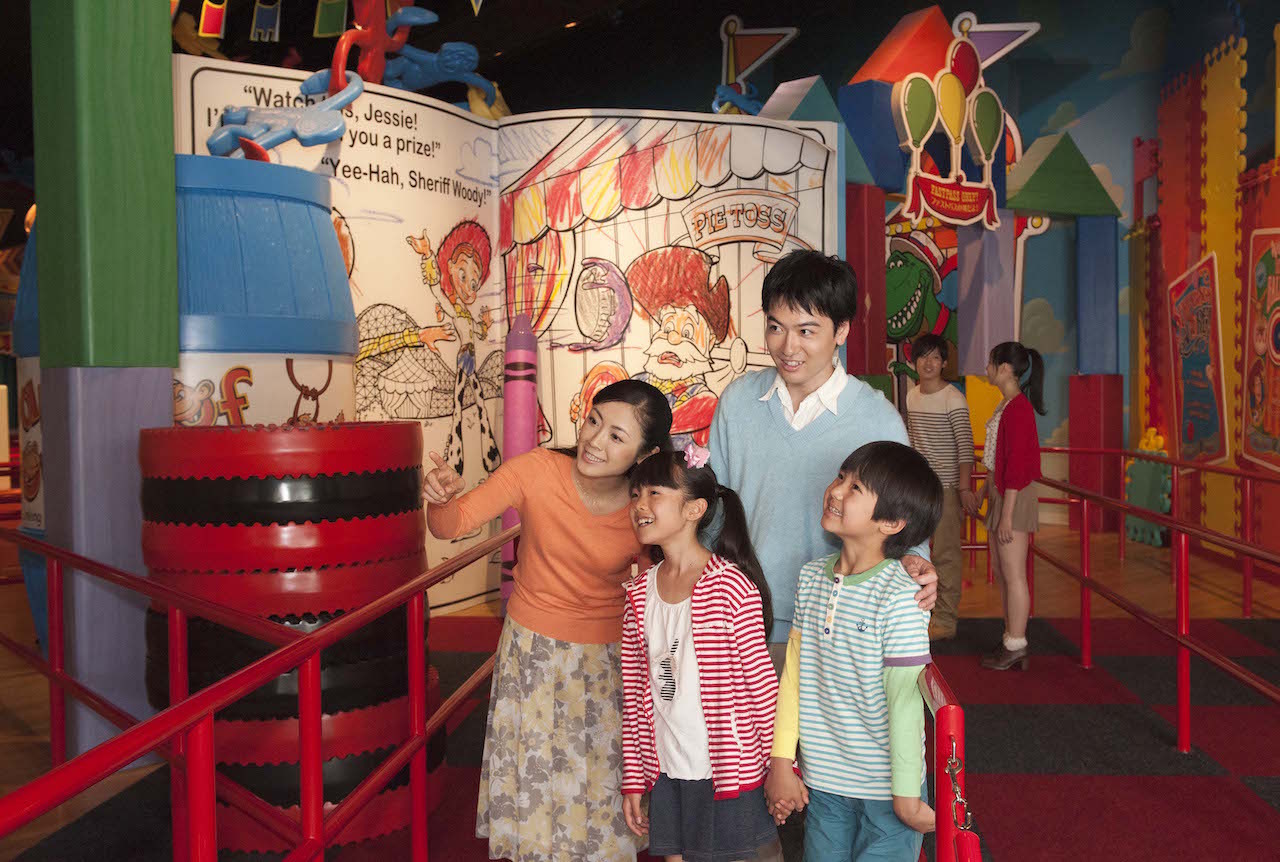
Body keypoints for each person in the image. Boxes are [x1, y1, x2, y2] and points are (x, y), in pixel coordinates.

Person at [708, 249, 937, 860]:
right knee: (748, 777)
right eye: (776, 326)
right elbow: (715, 512)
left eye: (807, 330)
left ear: (841, 331)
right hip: (745, 622)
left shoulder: (876, 418)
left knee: (845, 777)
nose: (788, 347)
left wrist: (919, 565)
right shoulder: (738, 403)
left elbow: (905, 520)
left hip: (841, 634)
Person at [423, 379, 672, 862]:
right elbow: (451, 524)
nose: (594, 440)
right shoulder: (536, 469)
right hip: (531, 654)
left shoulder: (645, 506)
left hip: (606, 662)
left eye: (616, 436)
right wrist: (441, 498)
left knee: (598, 785)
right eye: (593, 420)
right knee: (535, 784)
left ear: (646, 454)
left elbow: (656, 589)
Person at [765, 441, 943, 862]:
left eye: (855, 487)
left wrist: (906, 797)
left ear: (892, 522)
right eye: (841, 477)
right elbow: (794, 678)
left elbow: (905, 701)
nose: (836, 490)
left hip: (887, 790)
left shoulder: (901, 595)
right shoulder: (811, 578)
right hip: (825, 783)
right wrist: (781, 761)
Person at [620, 444, 780, 862]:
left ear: (694, 509)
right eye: (635, 494)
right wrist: (634, 778)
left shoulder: (731, 587)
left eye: (655, 493)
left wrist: (783, 767)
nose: (639, 505)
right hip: (668, 770)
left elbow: (762, 688)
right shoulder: (638, 594)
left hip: (727, 772)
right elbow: (634, 697)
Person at [977, 341, 1045, 671]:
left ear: (1004, 368)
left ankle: (1016, 642)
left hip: (1013, 497)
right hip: (1004, 494)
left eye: (991, 363)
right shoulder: (1007, 405)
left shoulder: (1018, 408)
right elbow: (998, 459)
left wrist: (1006, 515)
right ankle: (1010, 637)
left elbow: (1017, 465)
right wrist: (984, 491)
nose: (986, 369)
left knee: (1014, 574)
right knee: (1004, 572)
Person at [905, 333, 976, 641]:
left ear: (944, 363)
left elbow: (965, 448)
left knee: (946, 555)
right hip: (920, 489)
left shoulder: (953, 399)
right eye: (923, 356)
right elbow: (912, 442)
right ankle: (920, 614)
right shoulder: (912, 396)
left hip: (947, 488)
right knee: (913, 550)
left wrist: (963, 489)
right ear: (914, 361)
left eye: (936, 357)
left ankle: (946, 620)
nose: (929, 363)